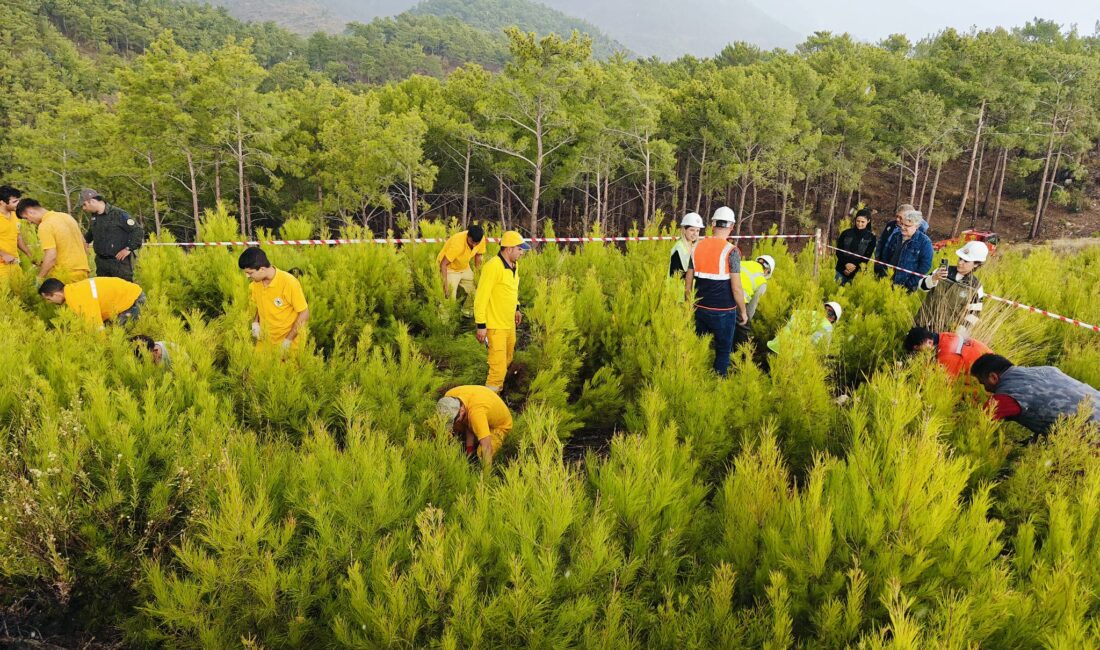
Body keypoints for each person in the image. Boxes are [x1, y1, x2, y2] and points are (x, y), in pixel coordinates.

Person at [970, 354, 1100, 439]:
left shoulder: (1006, 396)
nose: (985, 389)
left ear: (993, 377)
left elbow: (978, 429)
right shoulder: (1047, 369)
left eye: (983, 383)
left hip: (1093, 433)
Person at [685, 206, 747, 376]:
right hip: (724, 311)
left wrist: (689, 303)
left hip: (699, 307)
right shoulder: (731, 251)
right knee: (723, 350)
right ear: (731, 226)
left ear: (712, 224)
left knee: (699, 347)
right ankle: (718, 385)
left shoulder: (697, 247)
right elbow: (736, 287)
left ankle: (695, 378)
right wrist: (743, 311)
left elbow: (688, 281)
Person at [474, 231, 530, 391]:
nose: (521, 253)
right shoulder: (493, 267)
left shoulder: (514, 265)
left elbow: (512, 289)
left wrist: (517, 308)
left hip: (509, 324)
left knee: (507, 360)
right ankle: (490, 405)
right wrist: (481, 325)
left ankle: (499, 392)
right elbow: (481, 298)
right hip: (495, 326)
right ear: (509, 248)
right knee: (497, 370)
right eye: (519, 249)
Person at [238, 247, 309, 351]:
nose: (247, 276)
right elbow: (259, 303)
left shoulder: (289, 283)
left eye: (250, 273)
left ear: (261, 269)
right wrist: (255, 322)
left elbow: (304, 313)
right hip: (264, 343)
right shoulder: (254, 285)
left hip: (288, 344)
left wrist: (288, 341)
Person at [915, 241, 987, 332]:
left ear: (976, 264)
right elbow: (922, 287)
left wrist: (958, 332)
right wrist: (934, 278)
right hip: (921, 323)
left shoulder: (976, 287)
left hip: (944, 333)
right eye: (960, 258)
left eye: (966, 261)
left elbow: (974, 315)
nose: (960, 262)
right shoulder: (941, 271)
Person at [15, 199, 90, 284]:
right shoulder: (66, 217)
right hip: (83, 271)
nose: (29, 222)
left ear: (31, 212)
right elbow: (84, 244)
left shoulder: (45, 225)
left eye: (26, 218)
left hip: (65, 275)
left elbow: (51, 256)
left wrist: (40, 278)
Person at [436, 385, 513, 466]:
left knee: (482, 453)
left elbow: (487, 447)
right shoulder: (449, 398)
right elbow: (468, 425)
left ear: (462, 410)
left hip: (499, 425)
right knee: (450, 429)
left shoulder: (476, 414)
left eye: (454, 420)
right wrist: (469, 454)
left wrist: (486, 477)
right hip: (480, 403)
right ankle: (470, 452)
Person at [80, 189, 143, 282]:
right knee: (105, 293)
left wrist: (129, 248)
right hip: (102, 264)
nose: (83, 208)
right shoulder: (94, 217)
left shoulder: (119, 214)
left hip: (119, 264)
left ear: (92, 201)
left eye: (84, 205)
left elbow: (137, 231)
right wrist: (85, 241)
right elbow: (92, 232)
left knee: (123, 292)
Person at [38, 277, 145, 328]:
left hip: (133, 300)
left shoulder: (78, 299)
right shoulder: (73, 291)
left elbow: (97, 327)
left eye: (49, 299)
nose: (50, 303)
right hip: (127, 299)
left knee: (118, 337)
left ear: (56, 294)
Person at [903, 326, 992, 378]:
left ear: (929, 342)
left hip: (988, 377)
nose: (920, 354)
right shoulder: (945, 336)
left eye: (918, 350)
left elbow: (947, 386)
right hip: (991, 363)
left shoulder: (947, 356)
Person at [767, 301, 842, 354]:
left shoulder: (824, 325)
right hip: (791, 352)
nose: (825, 313)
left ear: (833, 318)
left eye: (829, 312)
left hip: (782, 346)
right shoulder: (822, 321)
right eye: (825, 310)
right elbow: (820, 349)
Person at [732, 254, 775, 345]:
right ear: (767, 271)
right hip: (738, 302)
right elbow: (752, 305)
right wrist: (746, 319)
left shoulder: (742, 263)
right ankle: (739, 356)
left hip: (720, 295)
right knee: (742, 335)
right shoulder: (762, 281)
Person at [437, 224, 486, 304]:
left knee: (477, 290)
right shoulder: (457, 243)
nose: (474, 245)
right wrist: (445, 286)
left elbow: (478, 256)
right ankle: (444, 316)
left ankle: (467, 313)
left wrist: (478, 276)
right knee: (449, 298)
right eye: (472, 242)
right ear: (468, 236)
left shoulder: (481, 240)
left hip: (464, 267)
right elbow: (443, 264)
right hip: (449, 268)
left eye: (476, 243)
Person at [889, 211, 934, 292]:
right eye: (902, 224)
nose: (902, 227)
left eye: (907, 225)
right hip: (888, 280)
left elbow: (925, 266)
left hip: (906, 287)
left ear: (916, 226)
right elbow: (887, 254)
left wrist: (910, 284)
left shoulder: (925, 242)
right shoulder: (896, 236)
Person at [0, 186, 33, 283]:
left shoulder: (14, 215)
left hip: (14, 263)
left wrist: (29, 254)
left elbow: (18, 237)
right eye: (14, 201)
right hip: (1, 266)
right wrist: (4, 254)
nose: (18, 204)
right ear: (1, 202)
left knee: (21, 292)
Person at [835, 208, 877, 284]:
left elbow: (866, 257)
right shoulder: (846, 233)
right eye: (858, 221)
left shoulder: (871, 238)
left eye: (862, 222)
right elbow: (838, 251)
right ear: (855, 220)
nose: (859, 224)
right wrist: (846, 264)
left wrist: (853, 267)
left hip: (858, 273)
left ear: (868, 221)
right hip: (841, 270)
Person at [873, 204, 913, 278]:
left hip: (895, 270)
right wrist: (877, 257)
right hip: (881, 262)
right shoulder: (890, 225)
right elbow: (881, 241)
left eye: (900, 217)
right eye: (897, 216)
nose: (897, 219)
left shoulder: (911, 233)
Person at [669, 212, 704, 276]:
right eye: (692, 230)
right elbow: (675, 274)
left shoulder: (691, 245)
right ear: (684, 230)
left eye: (697, 230)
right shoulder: (679, 248)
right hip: (678, 284)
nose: (695, 233)